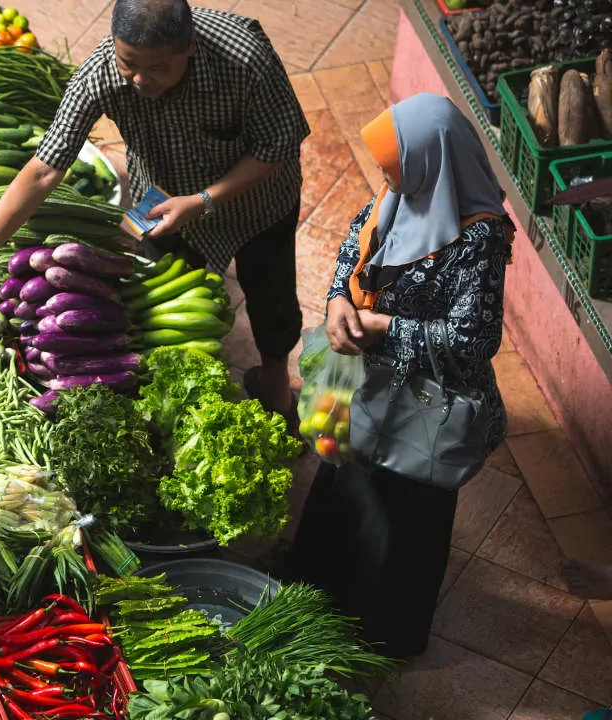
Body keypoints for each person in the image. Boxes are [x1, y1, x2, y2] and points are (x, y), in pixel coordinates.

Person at [0, 0, 310, 421]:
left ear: (188, 47)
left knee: (271, 297)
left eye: (156, 68)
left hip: (257, 200)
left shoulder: (243, 56)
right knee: (159, 282)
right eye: (128, 63)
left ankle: (276, 388)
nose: (139, 79)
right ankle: (187, 382)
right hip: (161, 194)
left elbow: (277, 149)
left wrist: (201, 201)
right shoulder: (100, 72)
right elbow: (44, 170)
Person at [284, 93, 513, 658]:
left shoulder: (479, 239)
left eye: (393, 164)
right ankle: (318, 596)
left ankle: (386, 633)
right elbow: (350, 251)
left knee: (405, 516)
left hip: (422, 407)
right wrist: (339, 300)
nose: (384, 177)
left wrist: (388, 327)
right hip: (365, 386)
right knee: (345, 480)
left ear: (431, 161)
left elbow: (474, 341)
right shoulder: (398, 195)